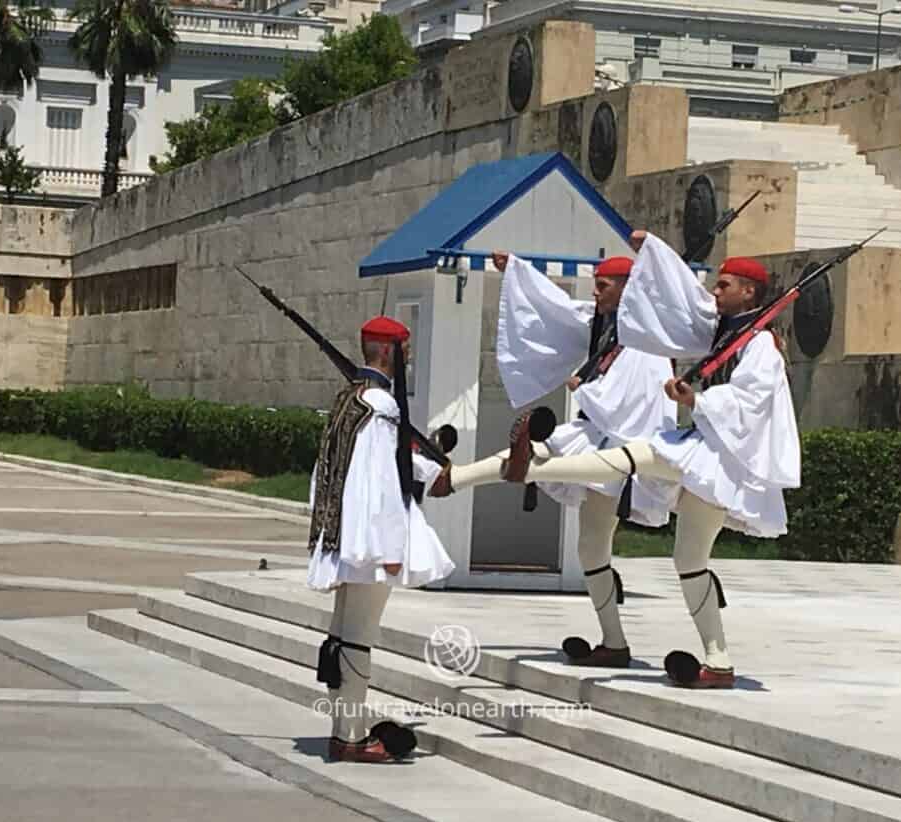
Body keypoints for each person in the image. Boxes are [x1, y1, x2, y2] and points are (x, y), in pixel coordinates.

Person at [437, 231, 801, 688]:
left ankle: (515, 467)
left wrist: (696, 397)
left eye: (724, 285)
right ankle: (709, 659)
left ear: (749, 291)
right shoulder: (719, 330)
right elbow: (676, 300)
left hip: (725, 459)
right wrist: (520, 269)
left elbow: (751, 399)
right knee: (682, 557)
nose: (715, 292)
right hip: (701, 444)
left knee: (637, 461)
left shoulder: (760, 344)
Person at [433, 252, 676, 668]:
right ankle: (614, 643)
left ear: (626, 288)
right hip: (596, 433)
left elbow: (636, 398)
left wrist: (586, 389)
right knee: (590, 548)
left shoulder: (646, 338)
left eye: (604, 285)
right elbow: (556, 310)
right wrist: (517, 269)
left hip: (622, 446)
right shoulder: (603, 321)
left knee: (552, 457)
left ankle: (469, 476)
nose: (596, 292)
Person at [308, 315, 454, 762]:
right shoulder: (381, 405)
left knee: (343, 634)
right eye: (405, 350)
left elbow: (338, 473)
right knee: (357, 639)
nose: (407, 357)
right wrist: (390, 549)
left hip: (346, 538)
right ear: (390, 352)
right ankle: (351, 739)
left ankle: (343, 731)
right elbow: (383, 481)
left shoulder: (350, 400)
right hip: (370, 544)